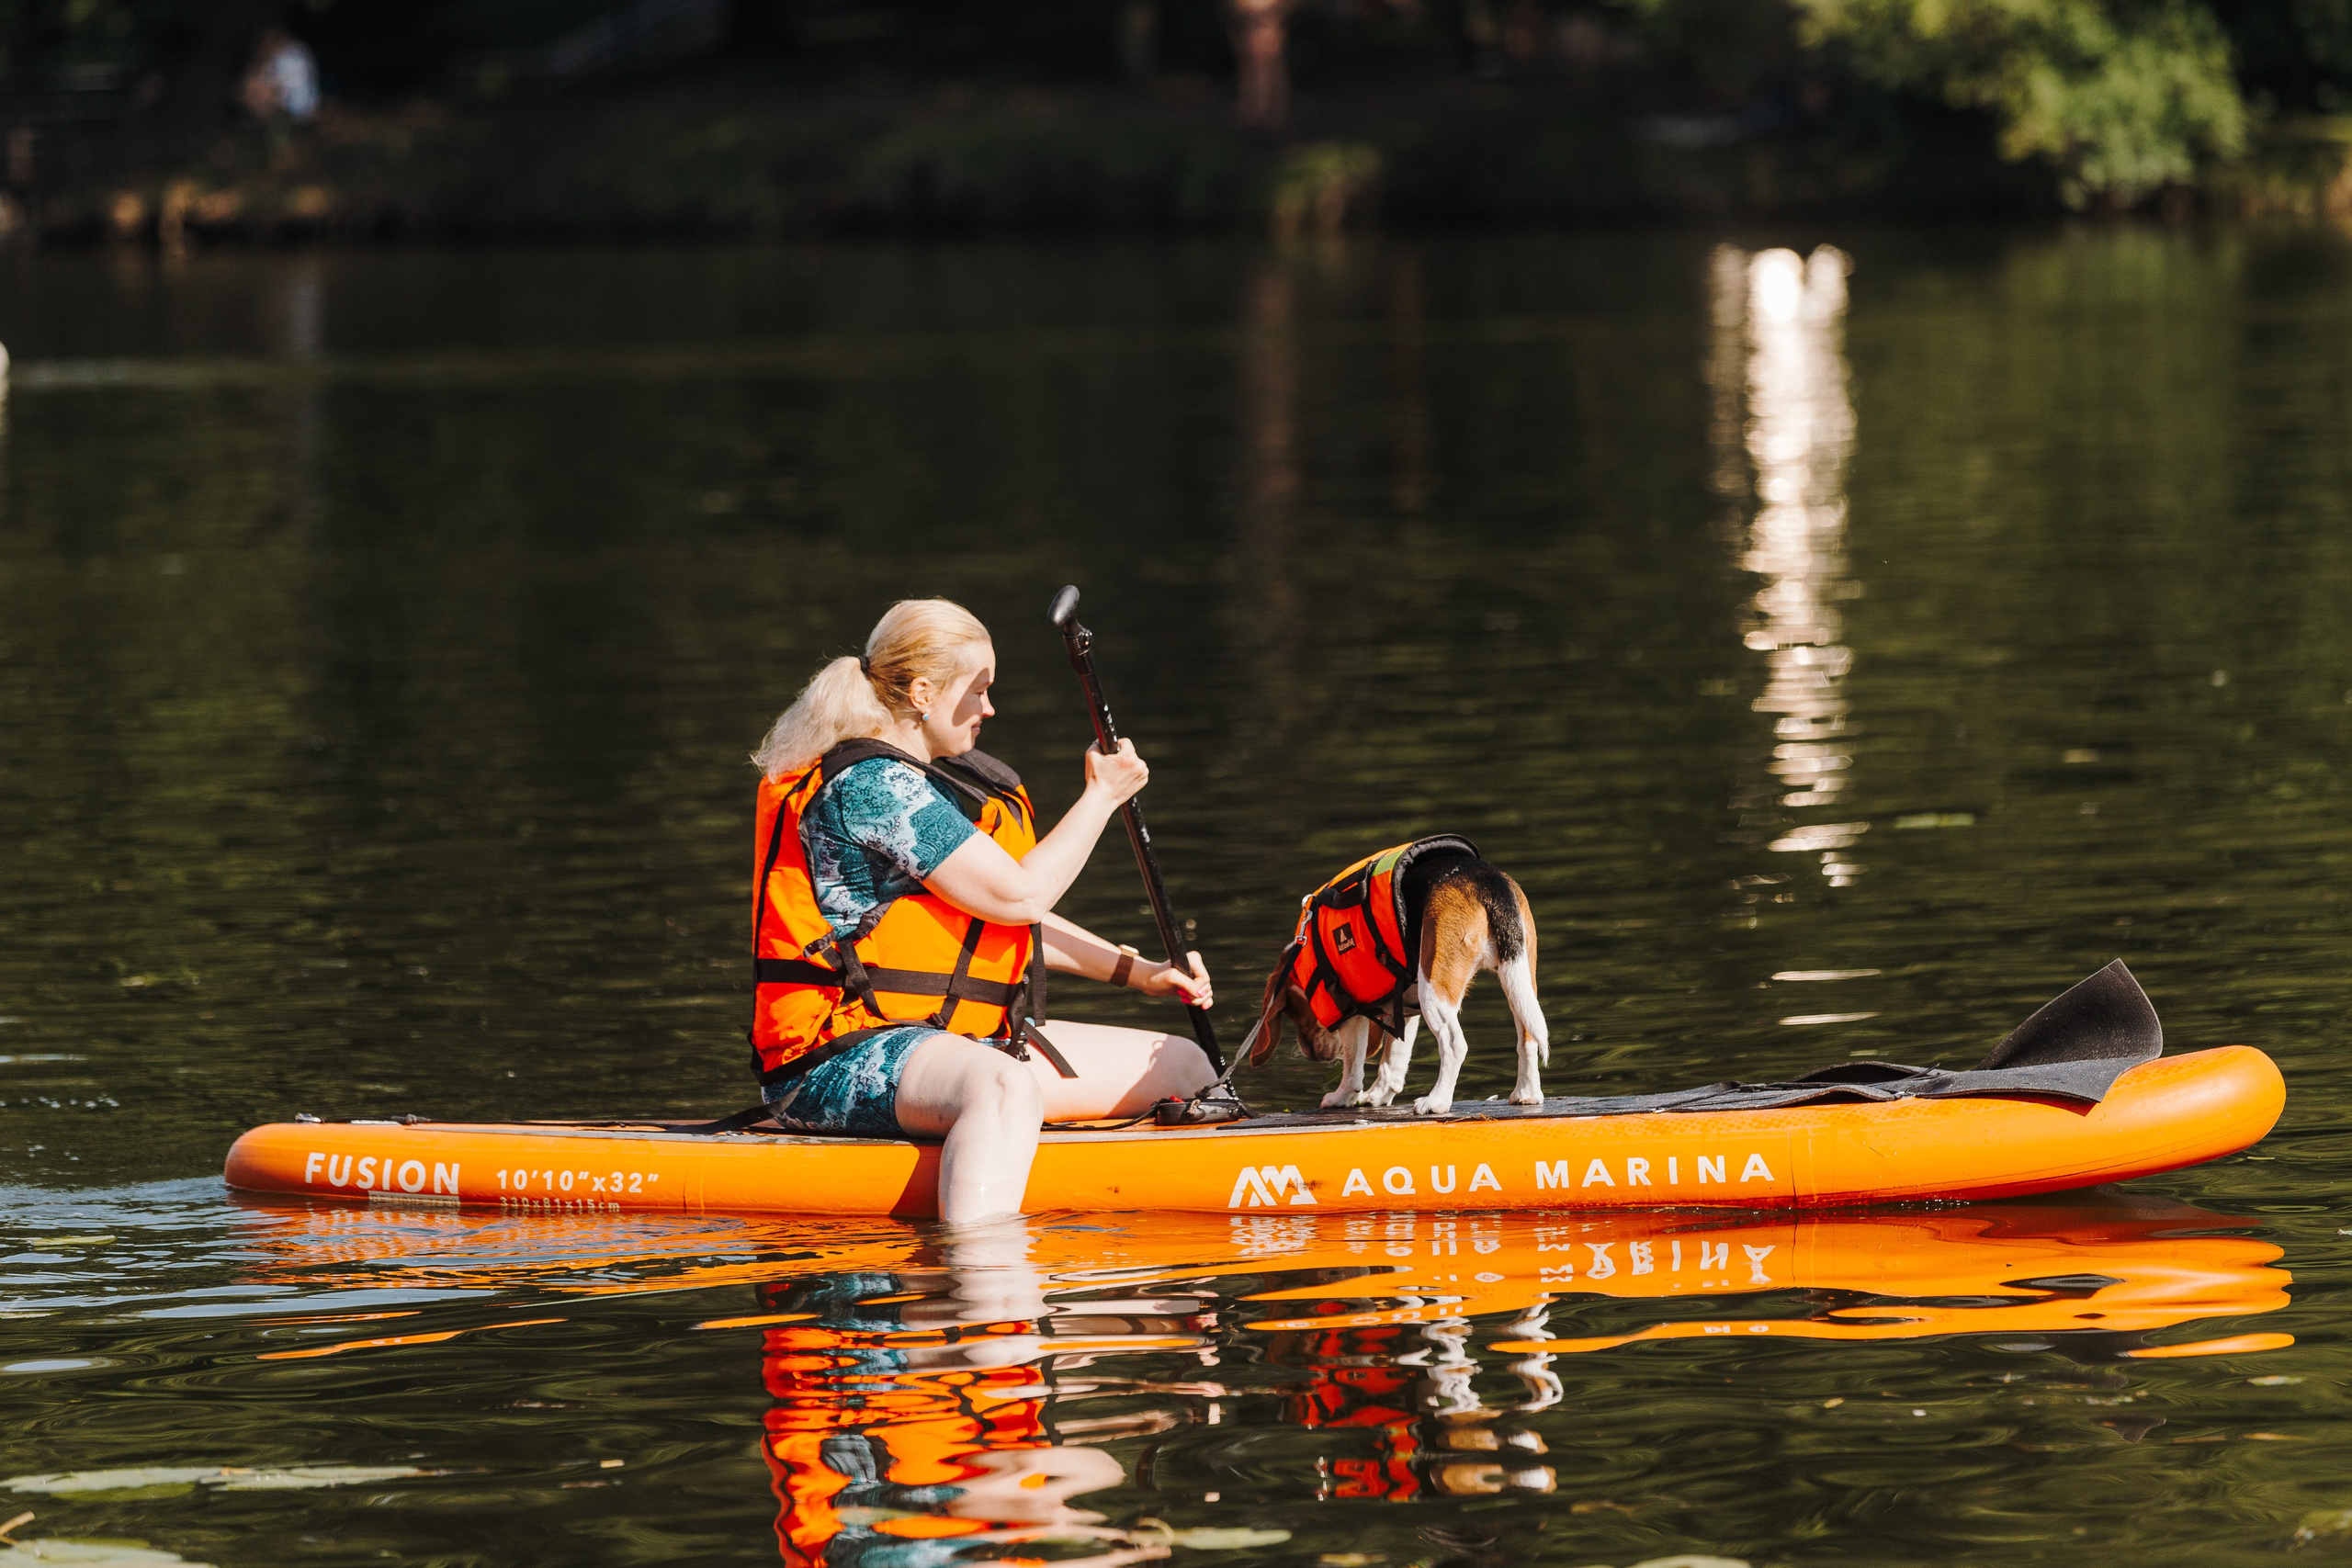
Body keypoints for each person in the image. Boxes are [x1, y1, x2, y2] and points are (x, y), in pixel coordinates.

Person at [749, 598, 1219, 1225]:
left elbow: (998, 914)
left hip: (943, 1041)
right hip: (837, 1058)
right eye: (978, 689)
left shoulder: (924, 782)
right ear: (923, 693)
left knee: (1185, 1067)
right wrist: (1101, 796)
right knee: (1002, 1082)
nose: (989, 707)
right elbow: (1019, 895)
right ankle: (981, 1268)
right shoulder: (871, 786)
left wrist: (1140, 972)